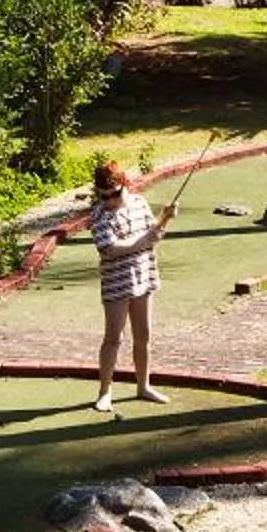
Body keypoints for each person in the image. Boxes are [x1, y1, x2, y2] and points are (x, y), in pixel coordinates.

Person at [87, 159, 174, 412]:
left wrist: (165, 219)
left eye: (114, 194)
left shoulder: (139, 203)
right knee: (114, 337)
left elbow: (154, 236)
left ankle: (143, 386)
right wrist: (144, 239)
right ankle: (104, 392)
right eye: (103, 196)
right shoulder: (99, 216)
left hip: (143, 275)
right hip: (116, 281)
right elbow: (111, 249)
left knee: (143, 335)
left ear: (125, 185)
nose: (109, 200)